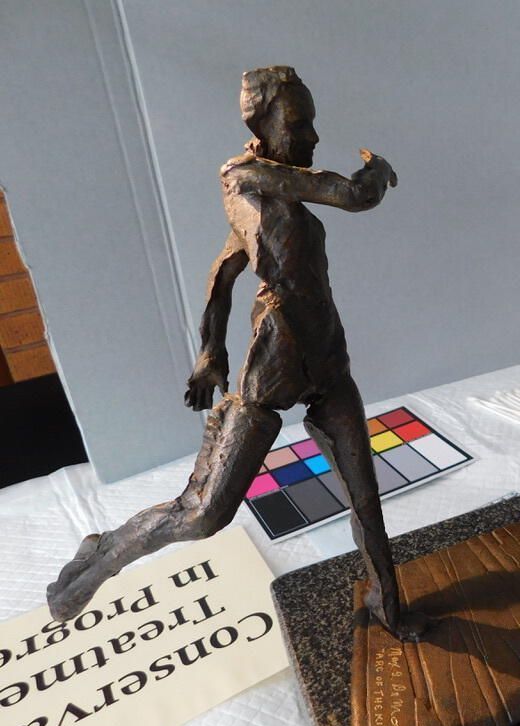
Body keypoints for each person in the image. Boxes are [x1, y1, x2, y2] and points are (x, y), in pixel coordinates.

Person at [48, 66, 426, 641]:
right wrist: (378, 168)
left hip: (328, 359)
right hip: (275, 363)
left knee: (366, 497)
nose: (312, 136)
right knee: (203, 513)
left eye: (311, 123)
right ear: (262, 125)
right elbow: (354, 195)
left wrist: (209, 351)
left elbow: (223, 274)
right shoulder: (245, 176)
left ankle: (388, 608)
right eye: (299, 124)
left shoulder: (273, 203)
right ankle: (100, 557)